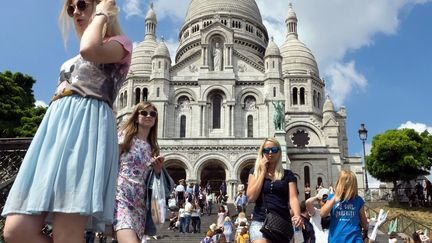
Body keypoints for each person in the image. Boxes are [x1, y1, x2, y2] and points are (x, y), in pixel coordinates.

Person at [2, 1, 132, 242]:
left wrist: (103, 13)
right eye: (71, 9)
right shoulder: (76, 54)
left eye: (82, 4)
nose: (76, 13)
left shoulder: (120, 44)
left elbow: (89, 50)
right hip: (54, 132)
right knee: (16, 231)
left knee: (66, 232)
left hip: (85, 130)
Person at [114, 101, 173, 243]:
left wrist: (158, 170)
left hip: (141, 203)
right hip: (121, 197)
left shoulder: (152, 147)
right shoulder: (124, 137)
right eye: (144, 113)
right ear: (136, 116)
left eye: (153, 114)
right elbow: (110, 164)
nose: (148, 116)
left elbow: (151, 180)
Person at [246, 137, 302, 243]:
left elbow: (293, 198)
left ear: (279, 152)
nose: (270, 153)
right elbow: (251, 197)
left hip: (282, 223)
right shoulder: (254, 172)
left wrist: (297, 215)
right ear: (262, 152)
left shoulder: (288, 174)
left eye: (274, 150)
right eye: (266, 150)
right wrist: (262, 172)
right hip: (260, 220)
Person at [320, 170, 368, 243]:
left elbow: (363, 221)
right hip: (336, 239)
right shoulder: (331, 197)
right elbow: (322, 214)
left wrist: (366, 227)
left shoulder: (358, 200)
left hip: (354, 239)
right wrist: (335, 198)